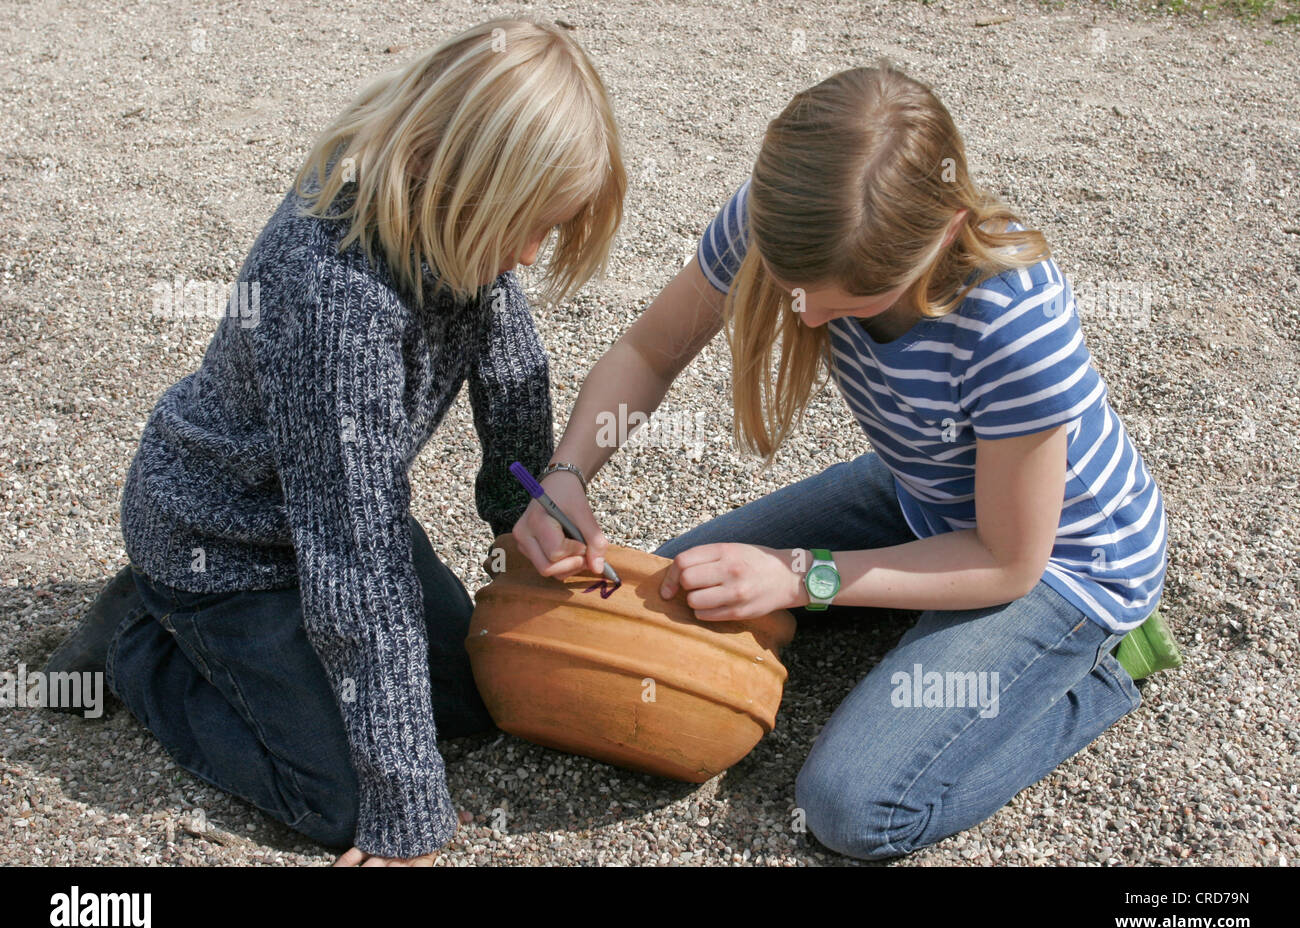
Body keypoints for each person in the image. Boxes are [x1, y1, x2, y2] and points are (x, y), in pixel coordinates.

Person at [512, 63, 1176, 860]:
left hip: (1060, 560)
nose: (811, 315)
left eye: (850, 301)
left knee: (852, 809)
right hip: (920, 492)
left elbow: (1005, 561)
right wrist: (567, 475)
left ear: (942, 231)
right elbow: (649, 351)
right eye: (796, 288)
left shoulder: (1013, 322)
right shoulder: (783, 215)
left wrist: (801, 575)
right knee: (683, 581)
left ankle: (1098, 670)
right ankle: (912, 623)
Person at [42, 18, 626, 866]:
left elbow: (510, 364)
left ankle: (178, 623)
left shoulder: (448, 223)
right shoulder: (336, 297)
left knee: (469, 701)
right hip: (228, 548)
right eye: (525, 226)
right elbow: (356, 565)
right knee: (341, 799)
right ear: (443, 166)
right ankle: (143, 640)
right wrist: (406, 813)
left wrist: (521, 502)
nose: (531, 256)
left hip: (330, 514)